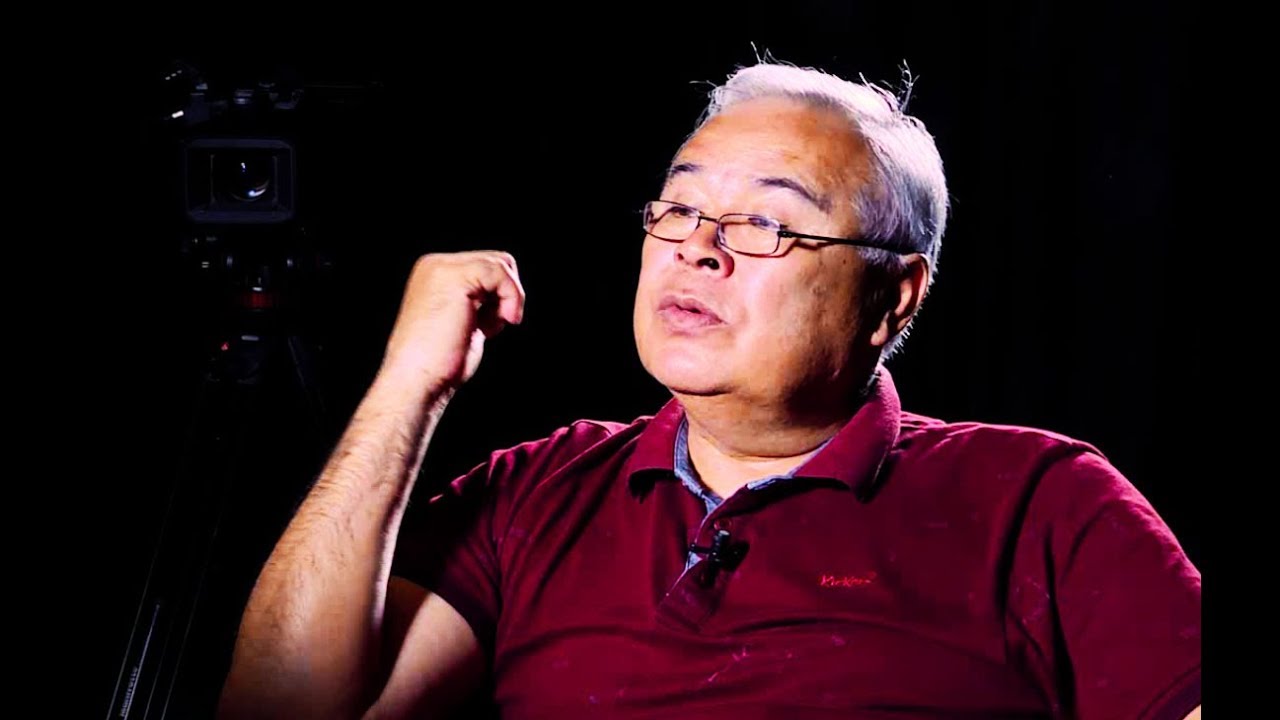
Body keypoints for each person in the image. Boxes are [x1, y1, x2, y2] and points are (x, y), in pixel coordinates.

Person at [216, 60, 1201, 719]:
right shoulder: (537, 493)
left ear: (893, 296)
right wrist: (408, 387)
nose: (698, 247)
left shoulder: (1038, 501)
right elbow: (281, 710)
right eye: (680, 207)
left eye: (765, 224)